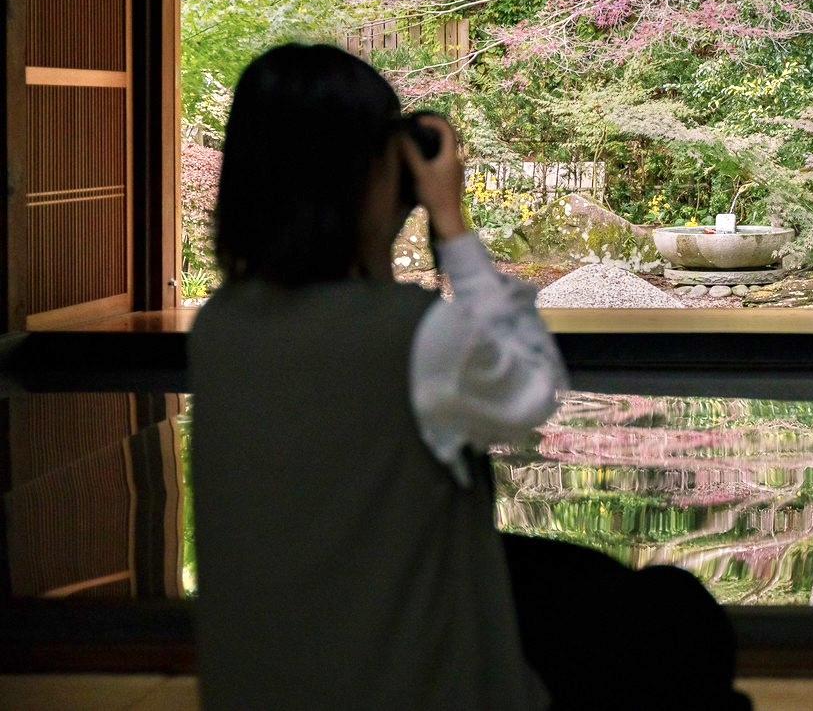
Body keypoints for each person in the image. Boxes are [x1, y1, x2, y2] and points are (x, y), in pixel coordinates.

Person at [190, 44, 747, 710]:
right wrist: (452, 225)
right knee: (673, 619)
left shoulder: (220, 327)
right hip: (410, 686)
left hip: (263, 684)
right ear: (369, 174)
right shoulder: (415, 334)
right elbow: (531, 394)